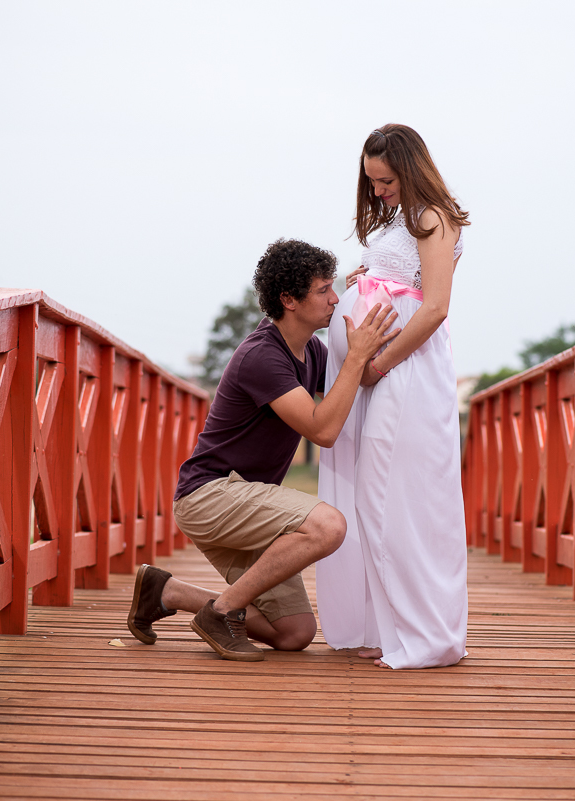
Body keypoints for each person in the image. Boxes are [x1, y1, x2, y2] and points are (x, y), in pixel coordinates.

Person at [127, 238, 398, 661]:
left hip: (245, 499)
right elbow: (323, 430)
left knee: (293, 634)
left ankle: (167, 591)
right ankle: (220, 613)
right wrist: (355, 356)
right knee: (328, 526)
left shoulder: (310, 348)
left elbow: (357, 381)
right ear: (289, 300)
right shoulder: (262, 356)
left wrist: (357, 308)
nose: (334, 298)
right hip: (211, 496)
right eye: (324, 290)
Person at [315, 124, 471, 669]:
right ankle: (393, 627)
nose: (378, 191)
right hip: (379, 372)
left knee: (388, 501)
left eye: (385, 181)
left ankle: (425, 636)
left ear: (409, 169)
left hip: (402, 373)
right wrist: (362, 279)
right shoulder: (403, 220)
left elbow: (434, 307)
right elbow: (399, 281)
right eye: (372, 182)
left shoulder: (433, 217)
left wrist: (377, 363)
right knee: (375, 499)